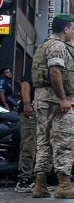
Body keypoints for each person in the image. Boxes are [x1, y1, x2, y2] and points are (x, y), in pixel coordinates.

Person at [30, 13, 74, 199]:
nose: (72, 32)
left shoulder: (45, 44)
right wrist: (63, 98)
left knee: (44, 143)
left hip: (43, 101)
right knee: (64, 143)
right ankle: (64, 185)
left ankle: (40, 184)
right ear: (65, 29)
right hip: (56, 102)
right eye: (72, 29)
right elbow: (55, 72)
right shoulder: (57, 46)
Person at [14, 62, 37, 193]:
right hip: (30, 111)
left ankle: (34, 180)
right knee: (29, 144)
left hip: (40, 111)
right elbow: (26, 83)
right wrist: (27, 104)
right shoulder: (35, 64)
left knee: (39, 146)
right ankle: (23, 180)